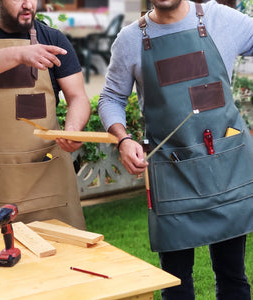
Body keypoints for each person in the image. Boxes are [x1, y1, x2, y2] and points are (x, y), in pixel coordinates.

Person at [98, 0, 253, 299]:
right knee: (175, 282)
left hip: (225, 166)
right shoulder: (130, 40)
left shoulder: (220, 19)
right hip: (172, 174)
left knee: (233, 276)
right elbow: (111, 98)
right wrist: (123, 139)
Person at [0, 0, 90, 233]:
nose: (28, 4)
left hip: (47, 177)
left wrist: (73, 129)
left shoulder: (53, 39)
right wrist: (19, 54)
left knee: (60, 263)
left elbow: (77, 96)